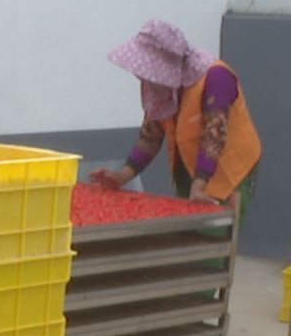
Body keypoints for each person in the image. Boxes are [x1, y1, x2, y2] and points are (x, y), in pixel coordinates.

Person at [91, 19, 262, 213]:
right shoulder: (158, 89)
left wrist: (198, 186)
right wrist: (120, 177)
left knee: (217, 230)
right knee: (188, 226)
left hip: (229, 168)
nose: (142, 79)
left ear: (165, 68)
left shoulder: (217, 78)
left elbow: (213, 137)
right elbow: (150, 136)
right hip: (189, 165)